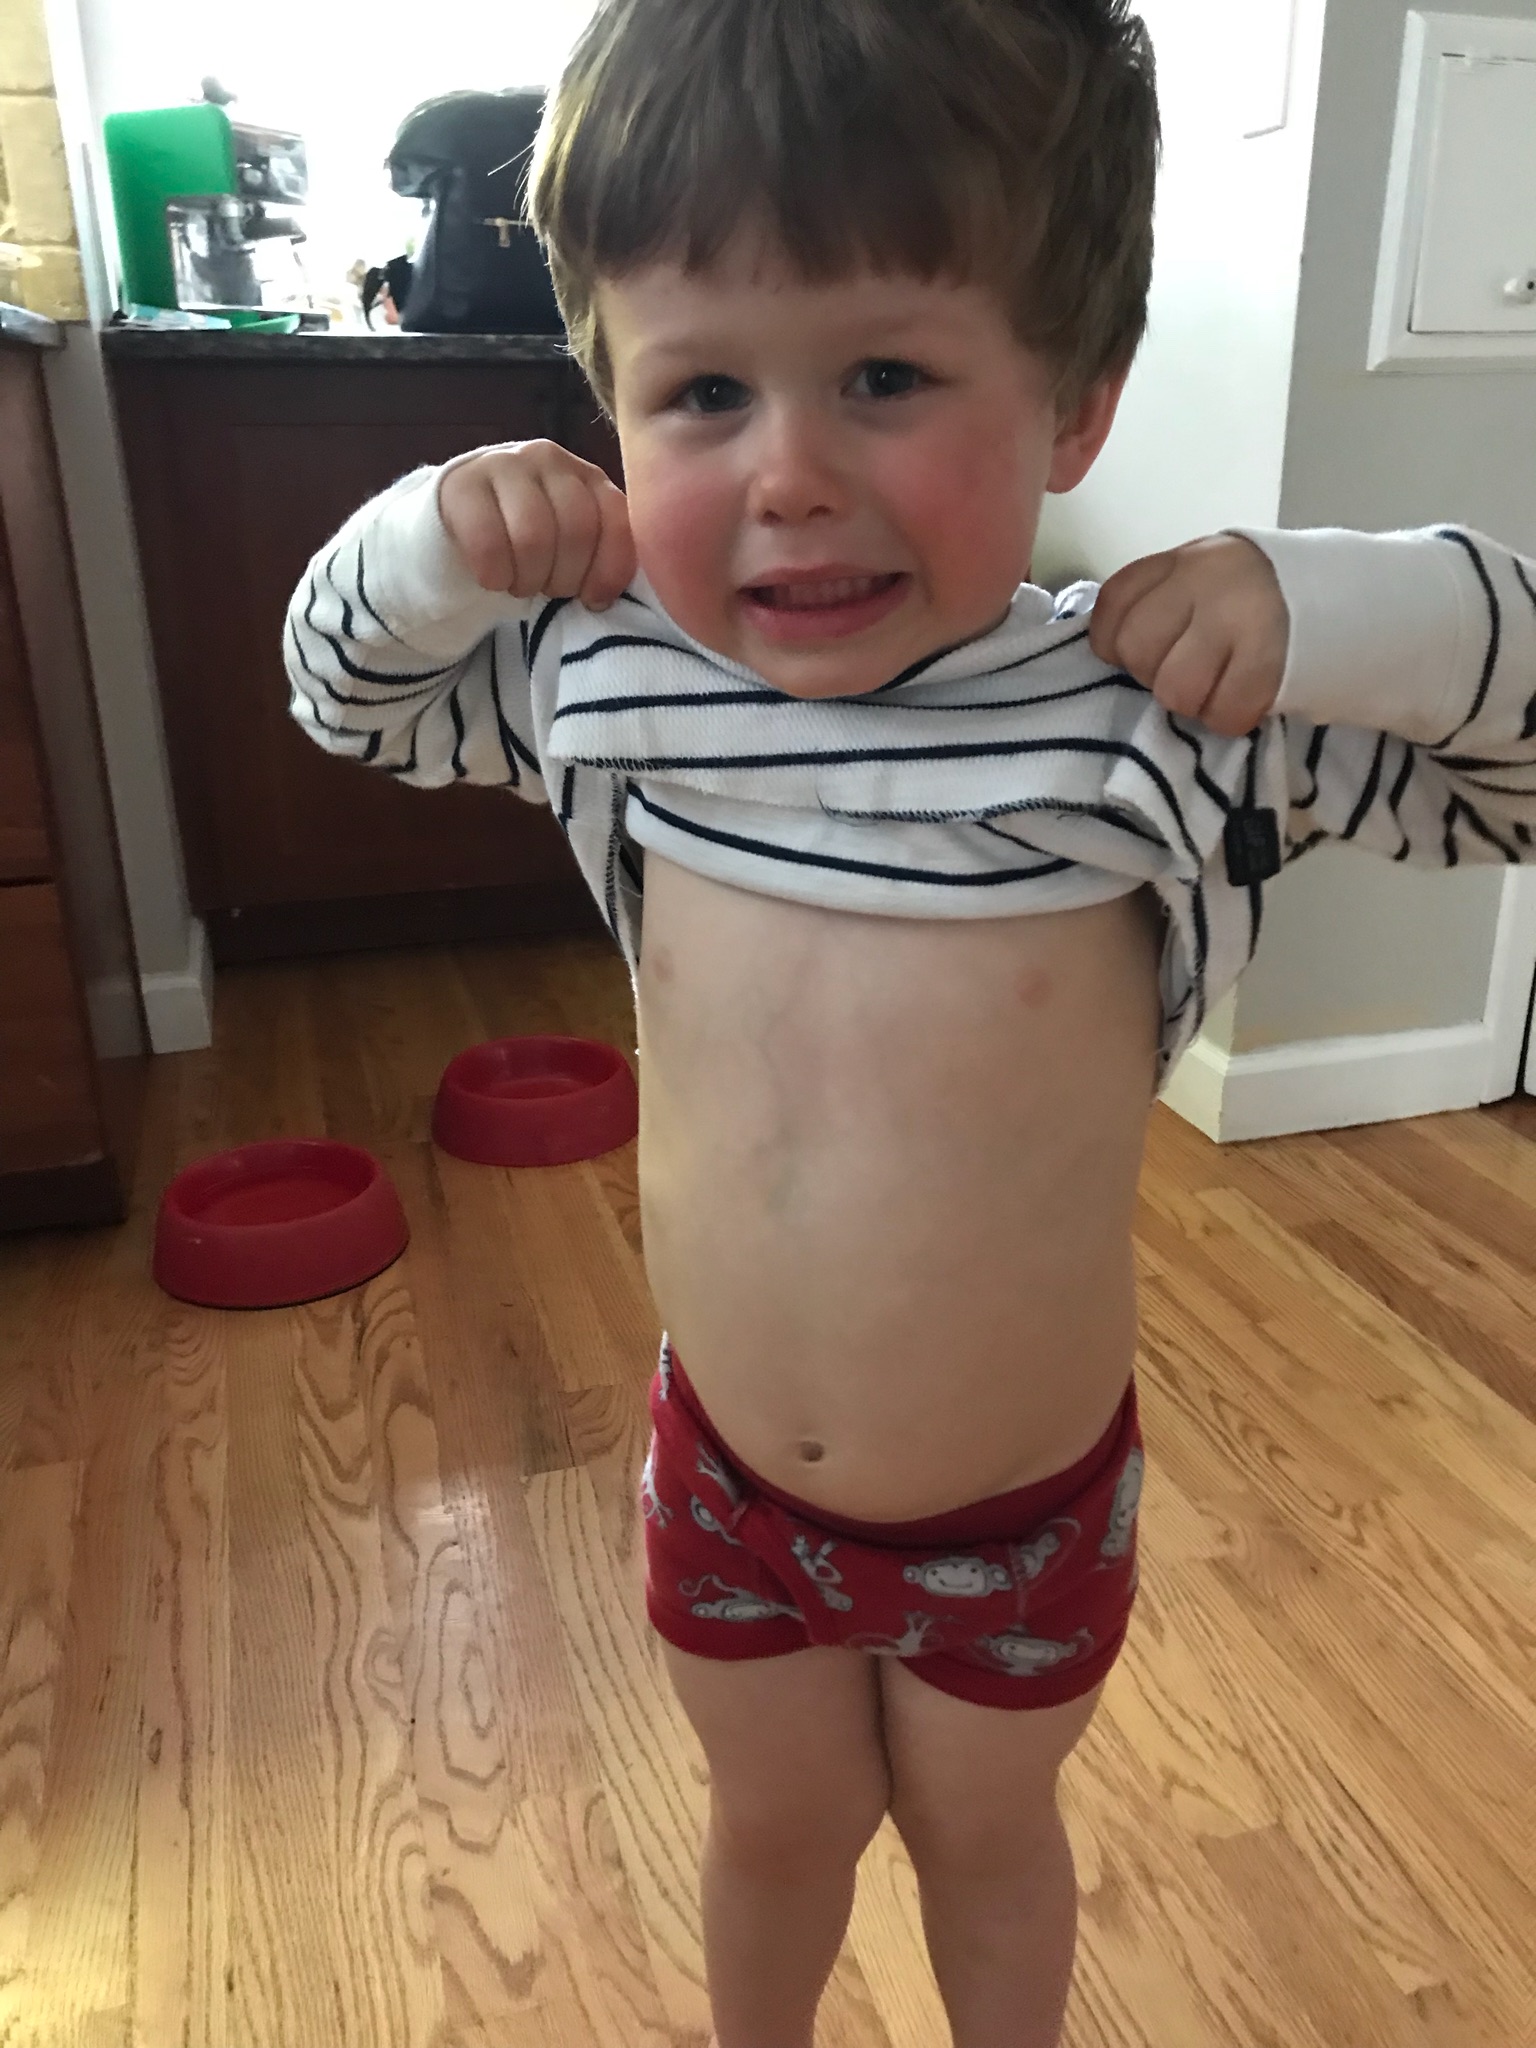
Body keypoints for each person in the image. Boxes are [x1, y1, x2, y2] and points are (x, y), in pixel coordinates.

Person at [283, 4, 1536, 2042]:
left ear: (1077, 402)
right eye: (703, 391)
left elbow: (1513, 784)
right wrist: (436, 535)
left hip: (1015, 1519)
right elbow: (344, 693)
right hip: (728, 1482)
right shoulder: (609, 679)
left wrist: (1338, 602)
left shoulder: (1164, 724)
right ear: (610, 404)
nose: (789, 476)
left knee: (983, 1835)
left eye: (882, 376)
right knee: (774, 1830)